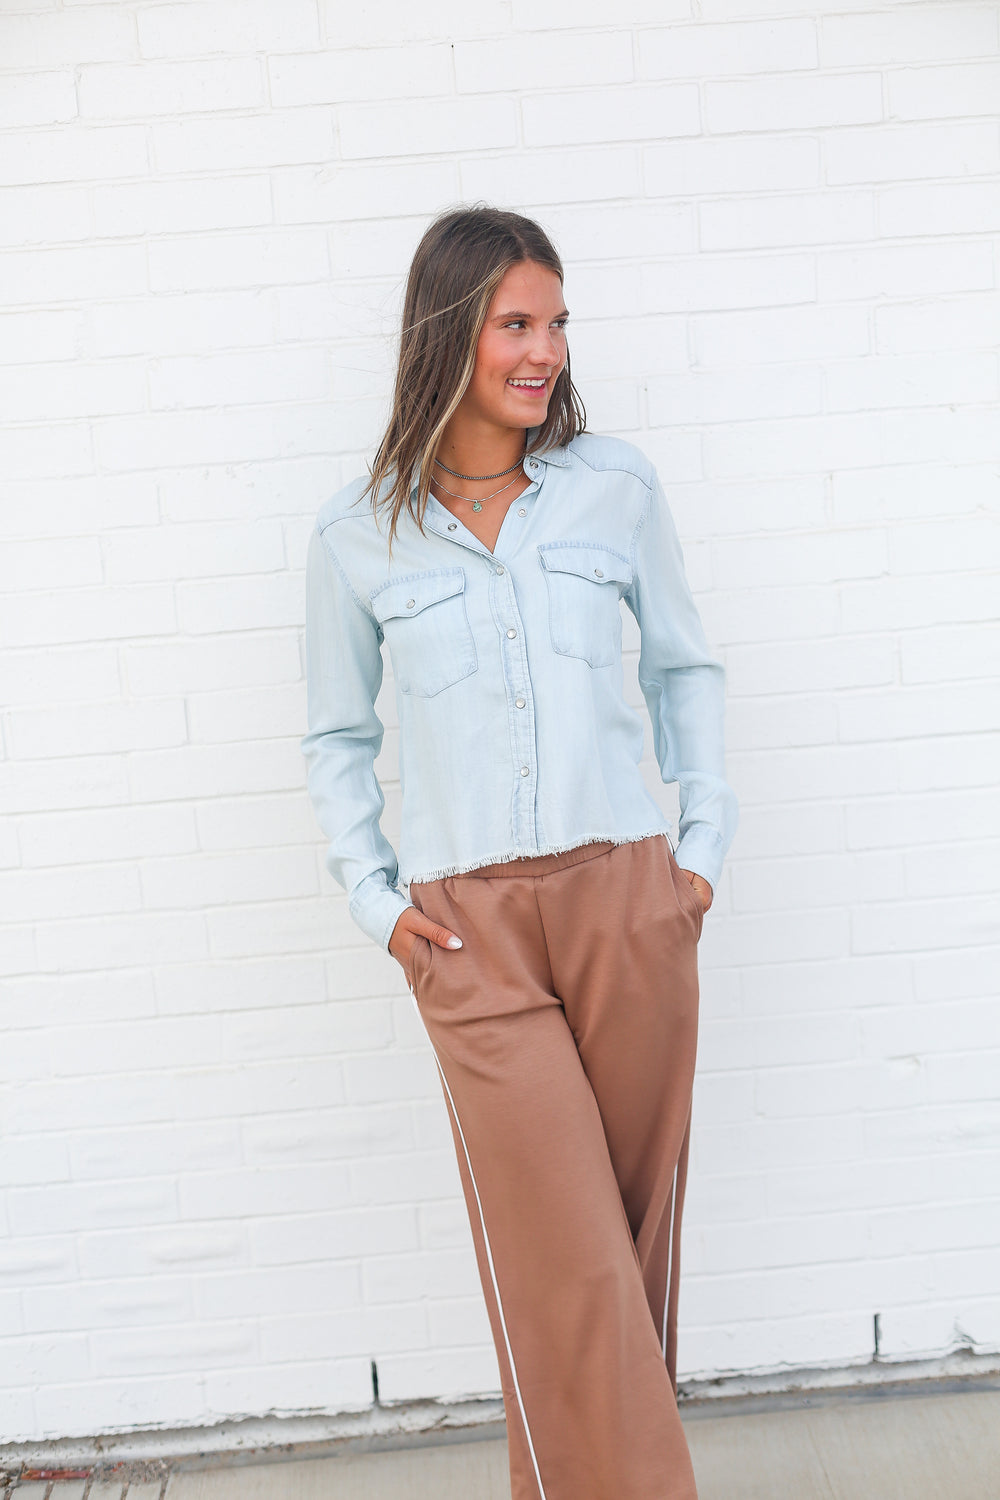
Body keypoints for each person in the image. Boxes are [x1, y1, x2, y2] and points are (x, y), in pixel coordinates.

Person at [301, 204, 739, 1500]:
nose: (545, 351)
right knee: (567, 1257)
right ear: (449, 332)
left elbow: (684, 668)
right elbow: (336, 737)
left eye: (556, 324)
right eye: (516, 324)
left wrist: (698, 854)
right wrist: (375, 901)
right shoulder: (357, 532)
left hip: (629, 900)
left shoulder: (617, 488)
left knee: (629, 1249)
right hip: (468, 931)